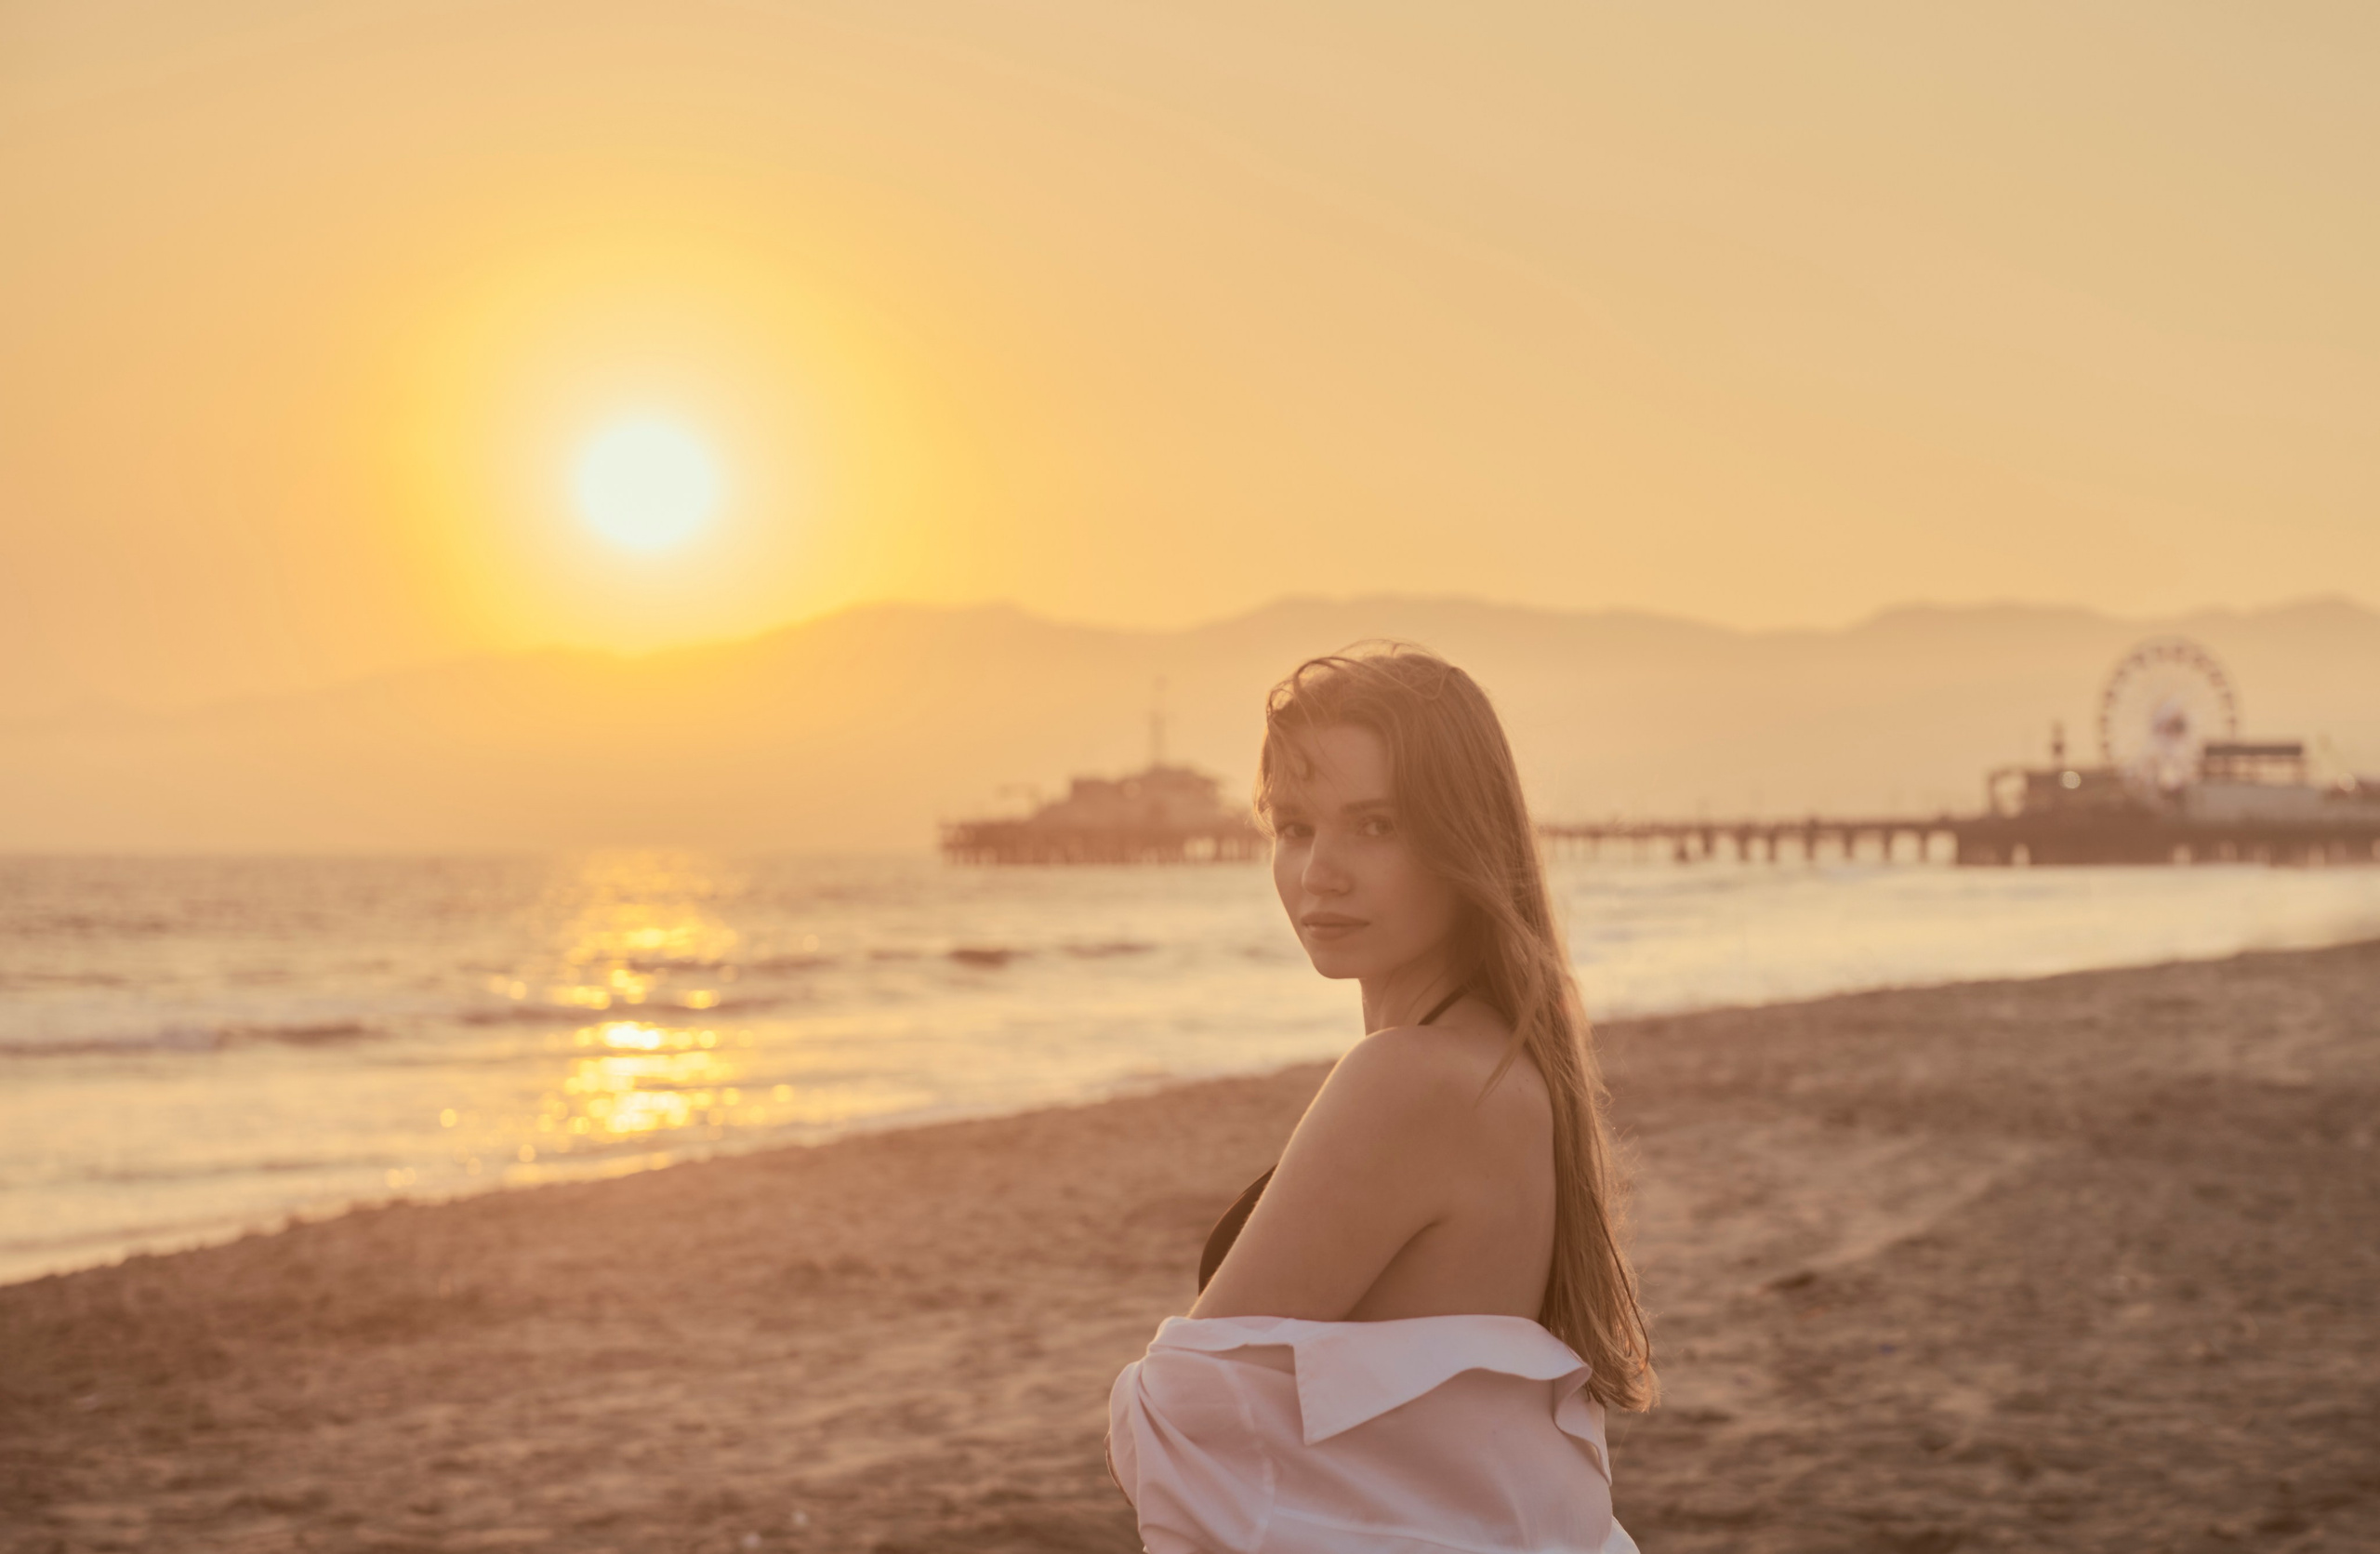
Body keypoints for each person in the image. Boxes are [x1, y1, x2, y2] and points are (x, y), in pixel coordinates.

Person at [1107, 645, 1653, 1553]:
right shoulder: (1503, 1058)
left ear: (1462, 840)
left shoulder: (1412, 1077)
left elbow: (1184, 1413)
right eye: (1292, 828)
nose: (1319, 872)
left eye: (1375, 826)